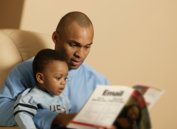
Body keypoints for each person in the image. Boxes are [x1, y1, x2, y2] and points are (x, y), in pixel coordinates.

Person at [0, 11, 109, 129]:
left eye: (87, 46)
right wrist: (54, 117)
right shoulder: (26, 70)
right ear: (55, 38)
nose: (80, 54)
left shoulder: (99, 81)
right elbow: (1, 112)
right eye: (74, 44)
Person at [14, 49, 71, 129]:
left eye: (65, 78)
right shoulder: (31, 97)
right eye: (58, 78)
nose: (63, 82)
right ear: (40, 78)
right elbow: (23, 116)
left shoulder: (63, 98)